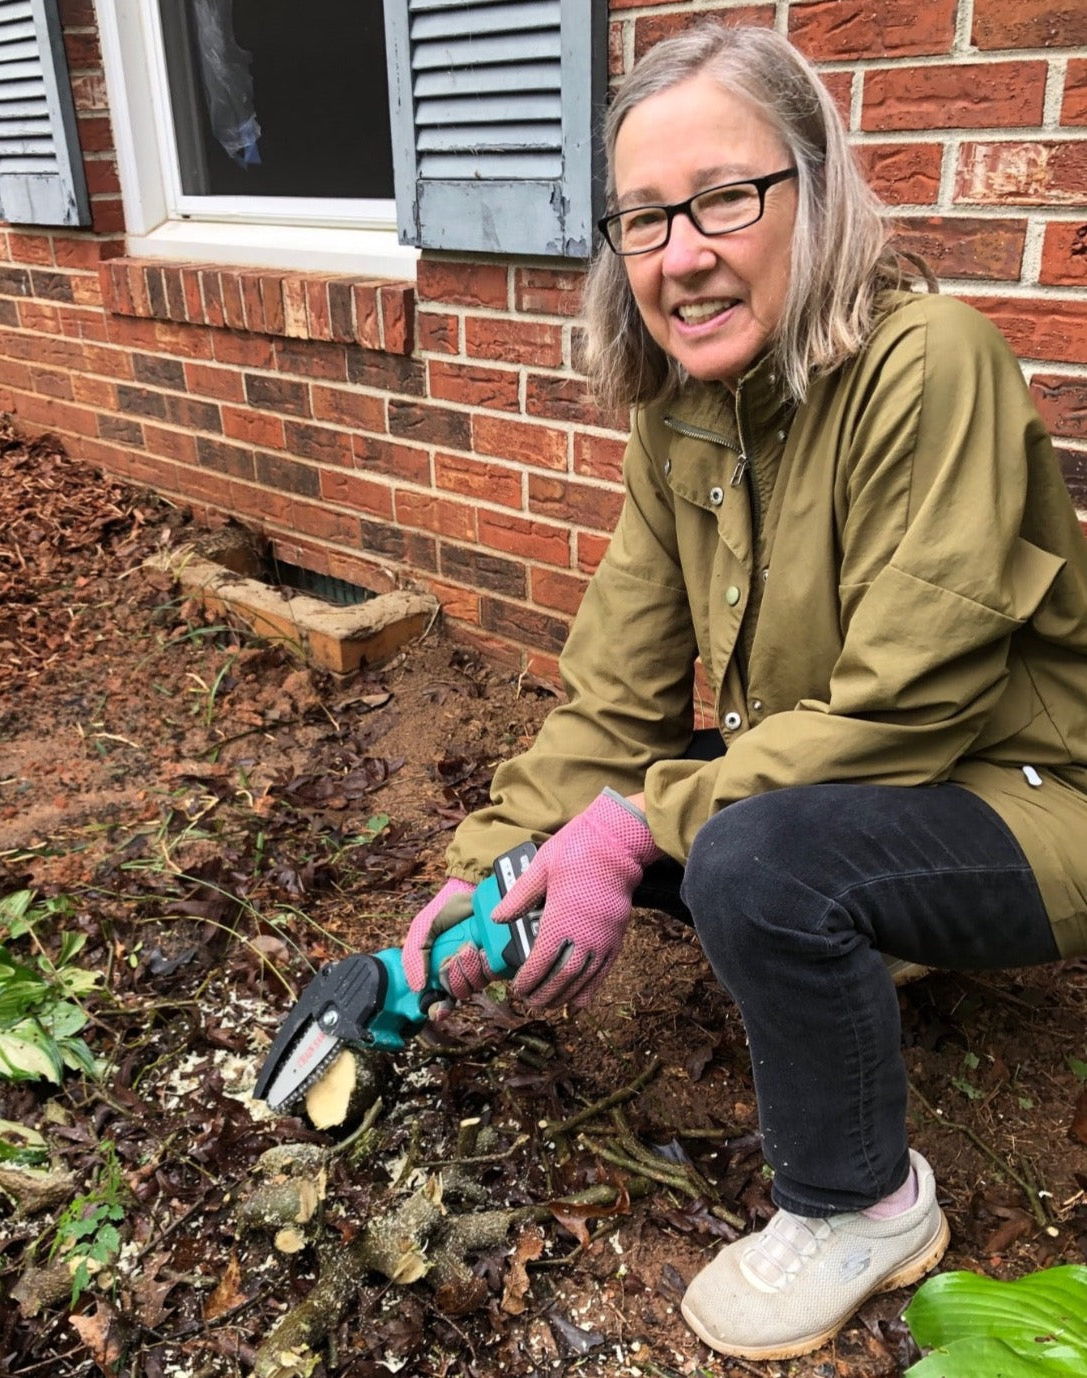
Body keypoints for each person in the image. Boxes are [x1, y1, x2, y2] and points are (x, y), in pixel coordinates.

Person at [401, 22, 1087, 1363]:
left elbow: (909, 708)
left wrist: (638, 829)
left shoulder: (927, 360)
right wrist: (481, 882)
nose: (680, 254)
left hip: (1025, 795)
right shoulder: (683, 421)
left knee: (751, 850)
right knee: (660, 808)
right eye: (643, 219)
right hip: (864, 798)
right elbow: (613, 699)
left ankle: (862, 1201)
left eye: (723, 197)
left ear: (812, 192)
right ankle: (830, 929)